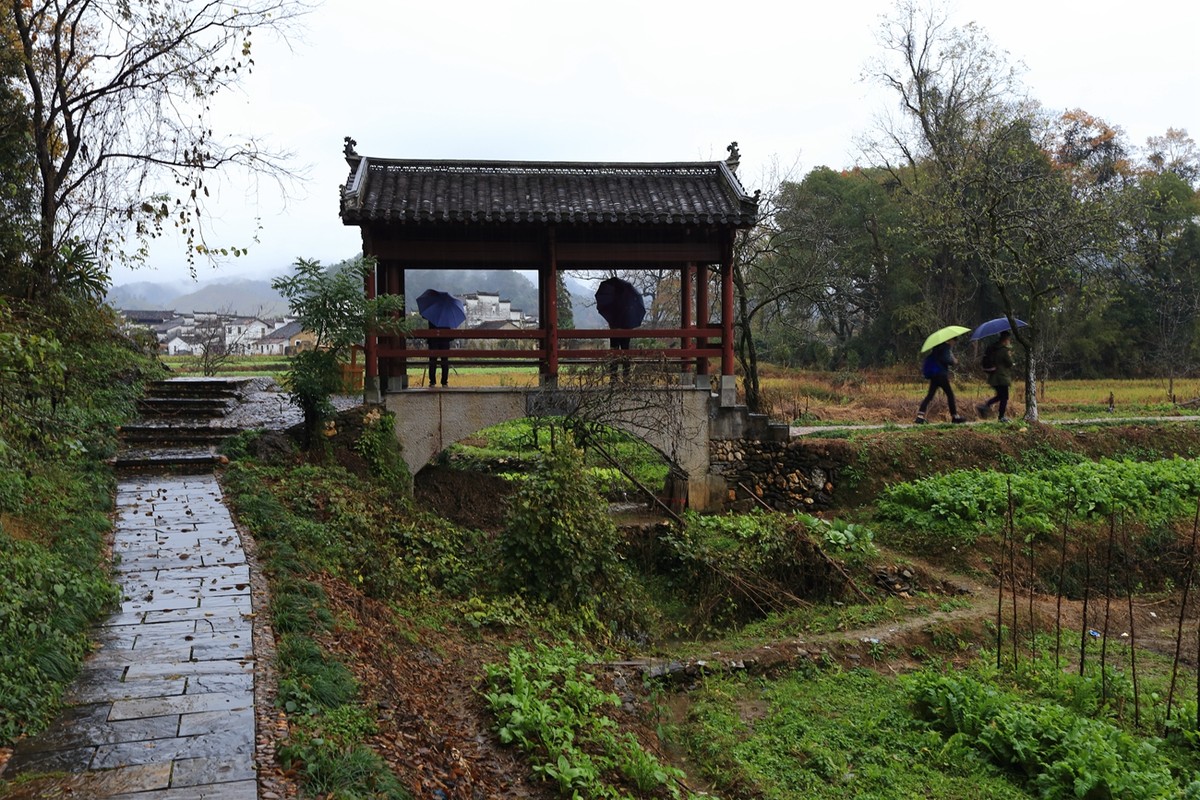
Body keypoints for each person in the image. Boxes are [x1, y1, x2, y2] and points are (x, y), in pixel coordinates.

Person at [915, 337, 966, 424]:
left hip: (934, 374)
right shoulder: (946, 347)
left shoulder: (937, 347)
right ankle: (954, 416)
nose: (954, 344)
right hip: (941, 374)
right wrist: (953, 361)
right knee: (950, 395)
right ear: (951, 340)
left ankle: (920, 416)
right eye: (954, 342)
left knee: (930, 396)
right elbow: (946, 359)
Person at [977, 330, 1014, 422]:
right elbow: (1009, 363)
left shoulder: (993, 348)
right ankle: (1001, 417)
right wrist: (1009, 355)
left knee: (1000, 396)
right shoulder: (1004, 350)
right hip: (1002, 377)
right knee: (1004, 397)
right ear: (1006, 339)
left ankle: (986, 406)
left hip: (993, 377)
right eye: (1009, 339)